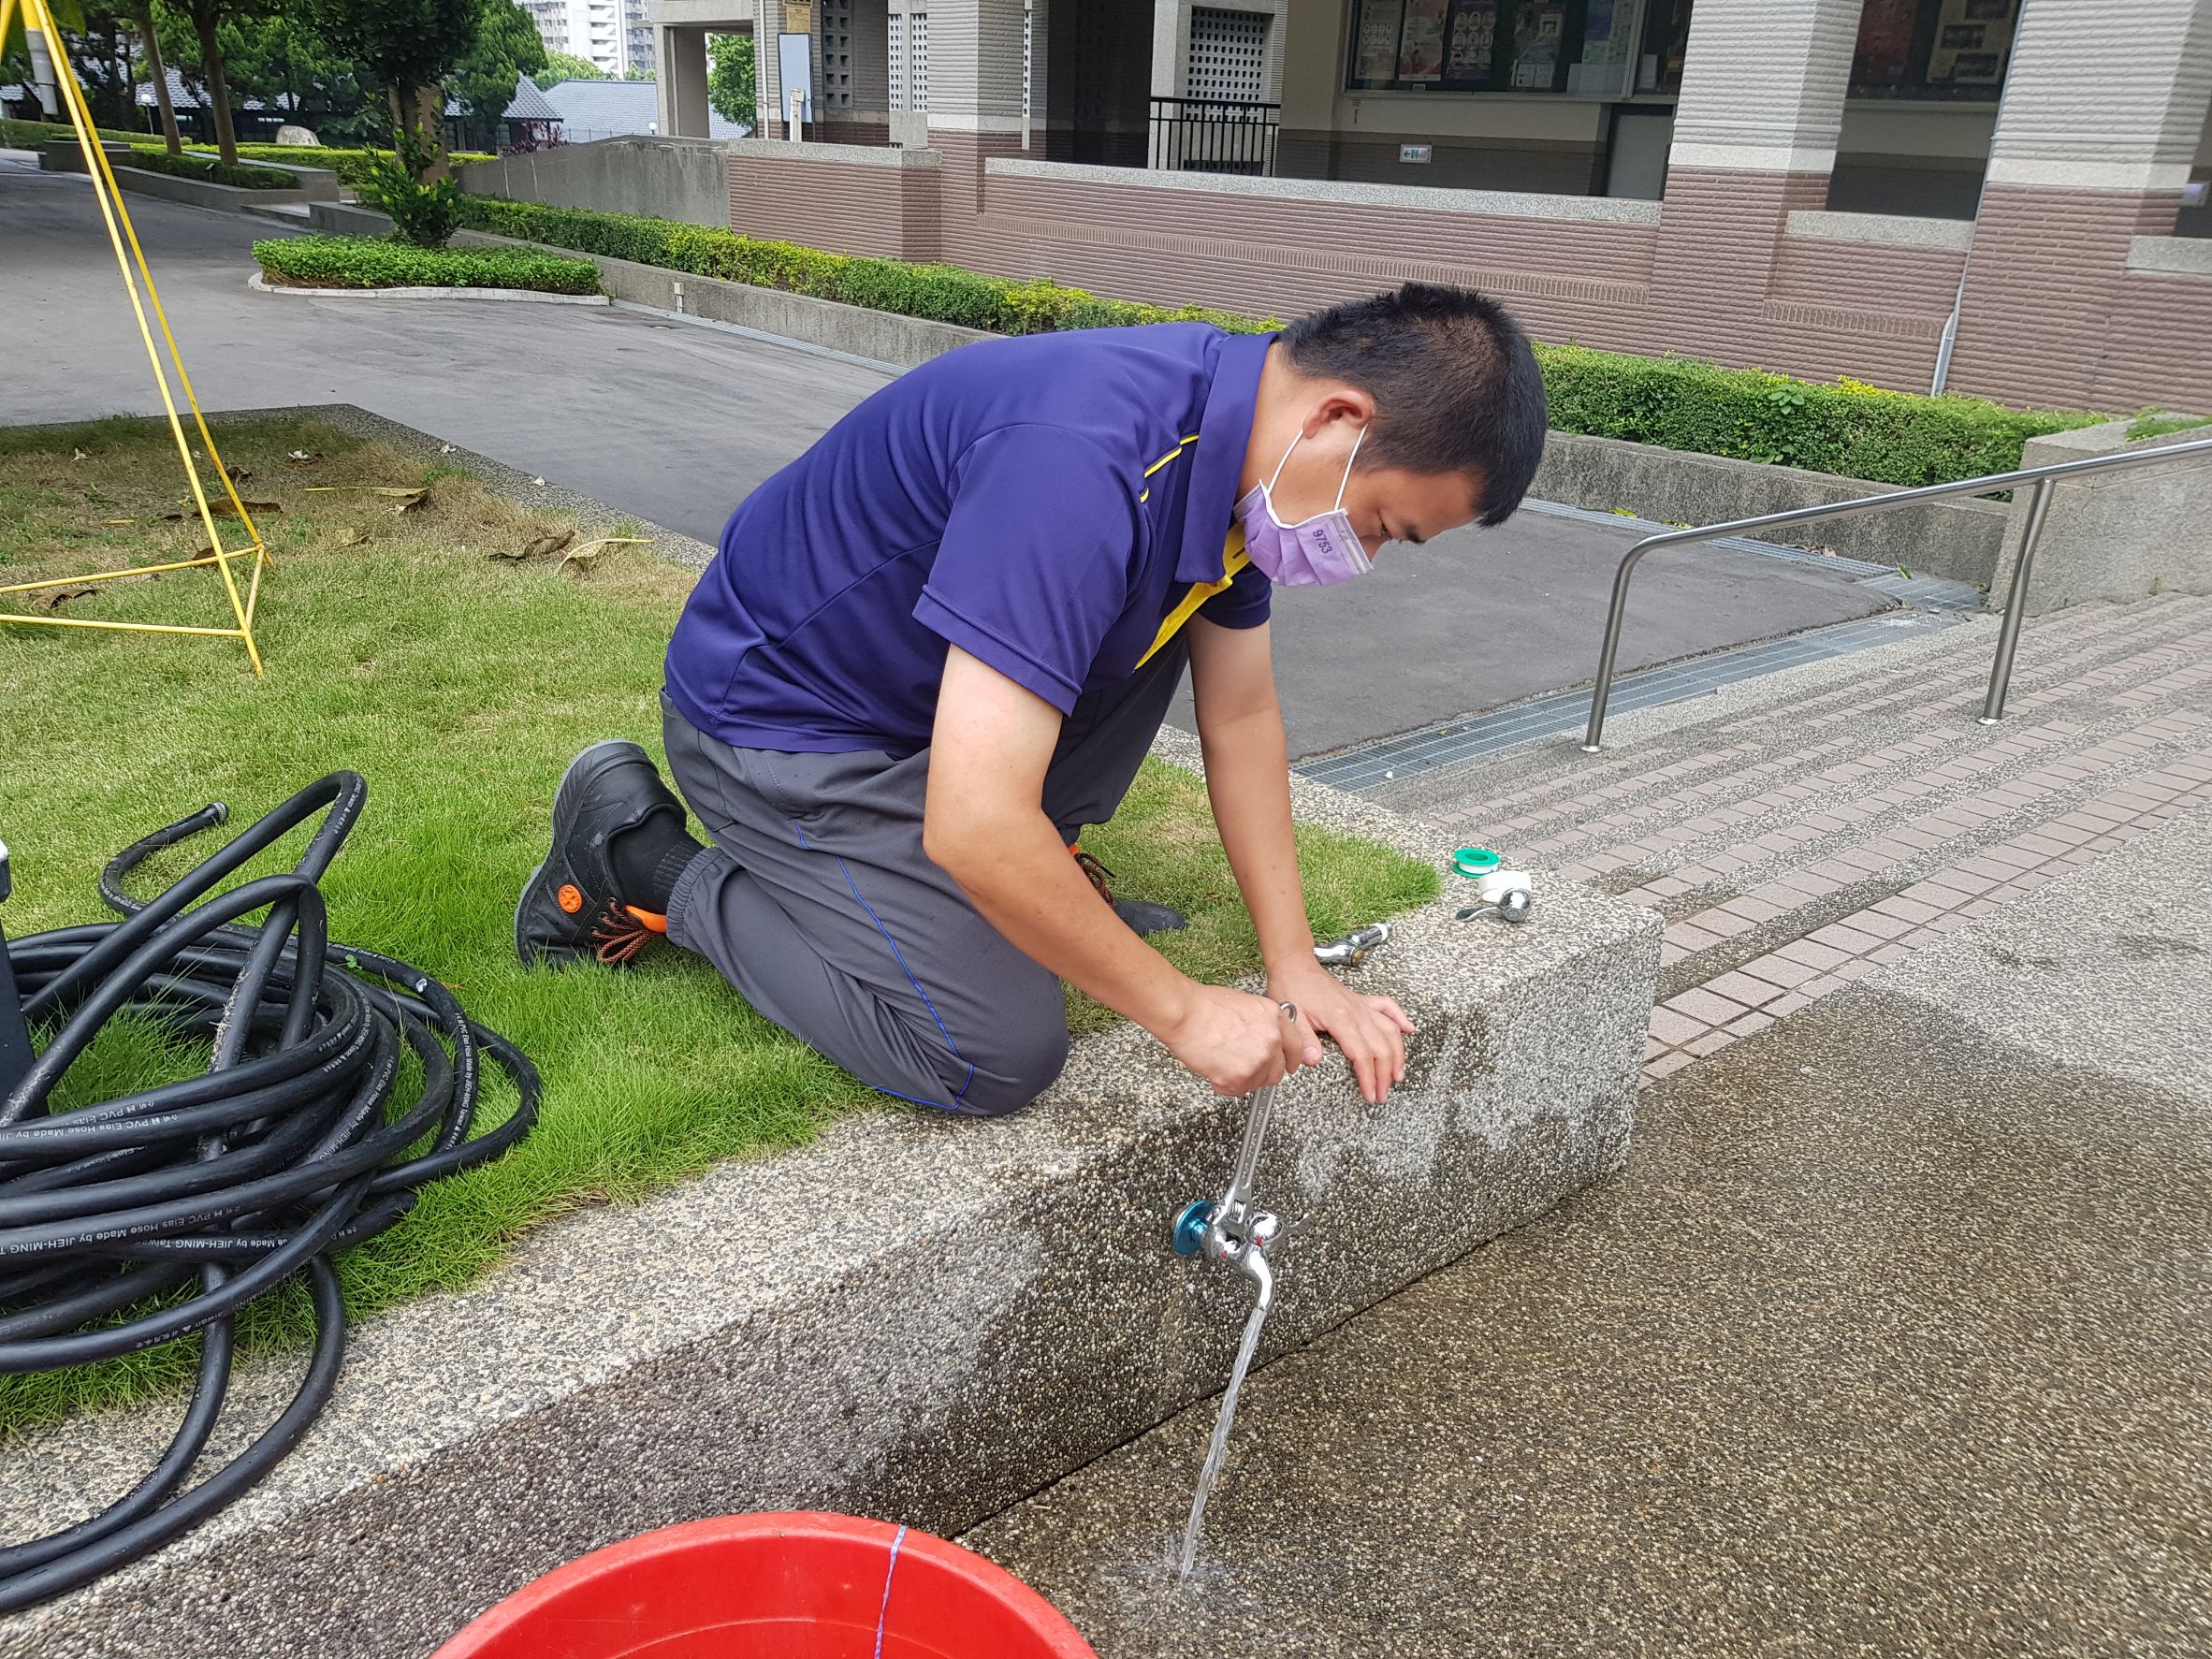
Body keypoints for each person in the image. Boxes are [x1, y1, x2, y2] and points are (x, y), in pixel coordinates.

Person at [516, 282, 1548, 1118]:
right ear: (1338, 418)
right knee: (989, 1051)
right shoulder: (1084, 457)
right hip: (783, 725)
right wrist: (1183, 1010)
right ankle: (645, 862)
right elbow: (970, 823)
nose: (1355, 556)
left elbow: (1240, 718)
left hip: (925, 702)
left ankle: (1021, 864)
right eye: (1380, 525)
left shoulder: (1240, 452)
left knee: (1163, 633)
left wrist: (1294, 961)